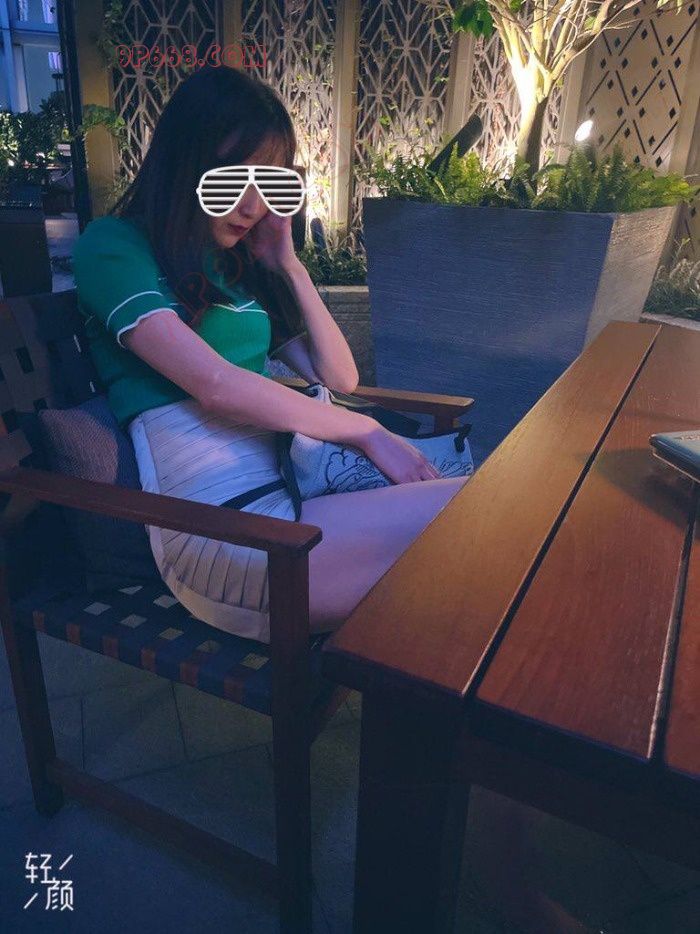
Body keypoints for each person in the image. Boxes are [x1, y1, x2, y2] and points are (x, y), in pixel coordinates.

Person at [72, 65, 467, 644]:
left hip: (291, 496)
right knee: (483, 527)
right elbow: (216, 386)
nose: (253, 204)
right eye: (234, 179)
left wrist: (289, 264)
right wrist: (366, 432)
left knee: (494, 523)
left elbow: (340, 375)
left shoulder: (233, 271)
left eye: (272, 184)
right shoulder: (113, 246)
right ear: (185, 164)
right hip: (221, 528)